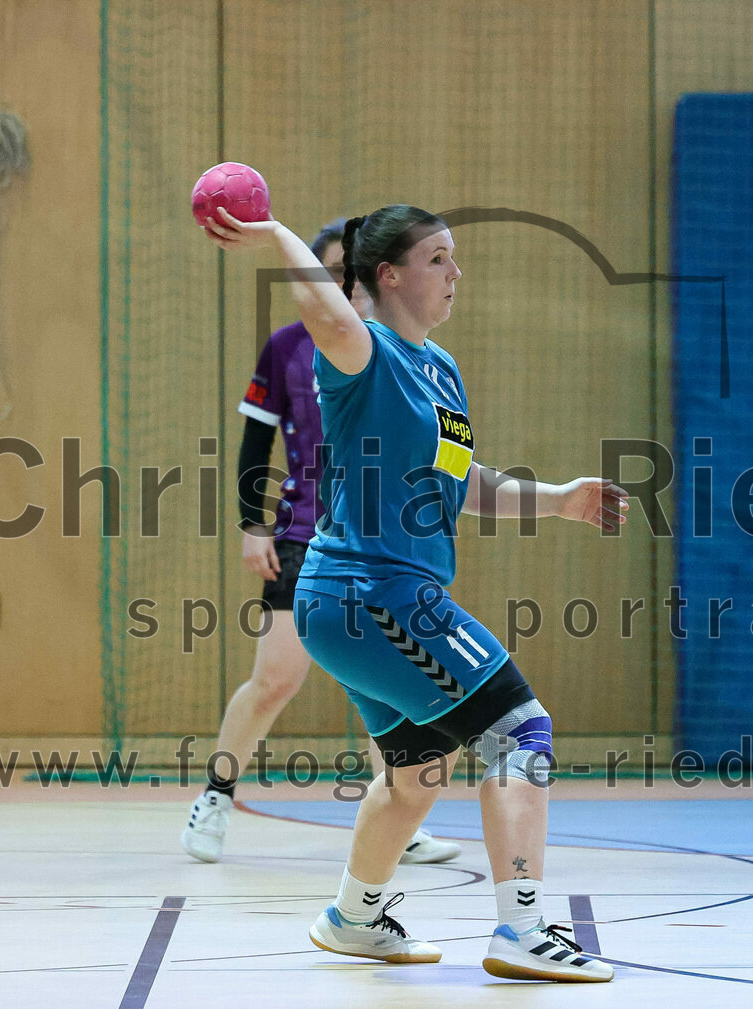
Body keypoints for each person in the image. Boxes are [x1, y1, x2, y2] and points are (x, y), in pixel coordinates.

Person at [204, 203, 627, 983]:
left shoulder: (443, 369)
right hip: (374, 591)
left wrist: (560, 497)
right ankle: (523, 929)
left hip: (365, 599)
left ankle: (354, 918)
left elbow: (463, 486)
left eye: (454, 258)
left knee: (416, 769)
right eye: (438, 259)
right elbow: (324, 309)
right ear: (388, 276)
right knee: (519, 729)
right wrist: (271, 235)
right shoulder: (362, 355)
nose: (455, 272)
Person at [181, 218, 461, 868]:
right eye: (330, 269)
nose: (343, 282)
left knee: (391, 683)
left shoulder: (399, 353)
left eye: (350, 271)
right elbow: (257, 442)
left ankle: (400, 813)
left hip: (384, 544)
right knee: (276, 677)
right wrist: (253, 524)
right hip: (307, 535)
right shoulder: (289, 347)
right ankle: (217, 795)